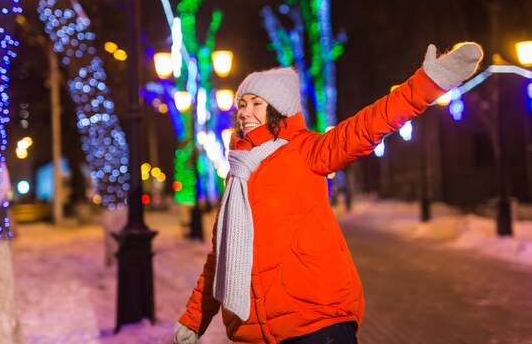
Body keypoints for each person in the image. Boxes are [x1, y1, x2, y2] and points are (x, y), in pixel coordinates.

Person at [174, 42, 484, 344]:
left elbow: (366, 127)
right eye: (241, 104)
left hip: (316, 323)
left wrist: (426, 85)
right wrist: (195, 318)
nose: (245, 112)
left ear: (278, 110)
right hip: (253, 333)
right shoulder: (237, 174)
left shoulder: (306, 151)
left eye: (256, 103)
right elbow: (222, 257)